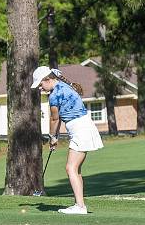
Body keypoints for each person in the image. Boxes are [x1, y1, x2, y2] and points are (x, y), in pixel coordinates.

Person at [31, 66, 103, 214]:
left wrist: (52, 138)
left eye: (40, 84)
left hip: (80, 130)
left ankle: (81, 207)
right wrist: (55, 137)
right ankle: (79, 204)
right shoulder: (64, 85)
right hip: (84, 127)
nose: (40, 88)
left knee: (70, 168)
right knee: (76, 169)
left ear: (48, 79)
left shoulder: (54, 95)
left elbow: (54, 119)